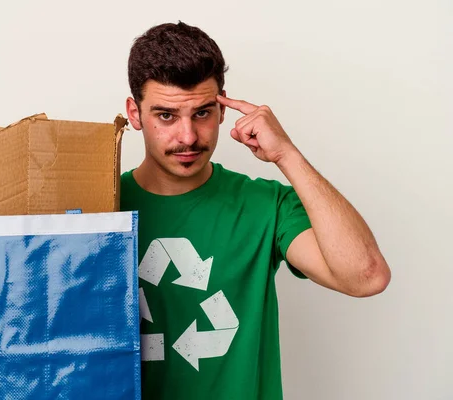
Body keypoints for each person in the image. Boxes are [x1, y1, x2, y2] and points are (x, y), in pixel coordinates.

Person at [119, 21, 391, 400]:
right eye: (166, 115)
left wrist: (286, 154)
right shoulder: (102, 211)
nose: (188, 137)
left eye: (202, 113)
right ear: (134, 113)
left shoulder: (267, 205)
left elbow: (367, 277)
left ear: (223, 106)